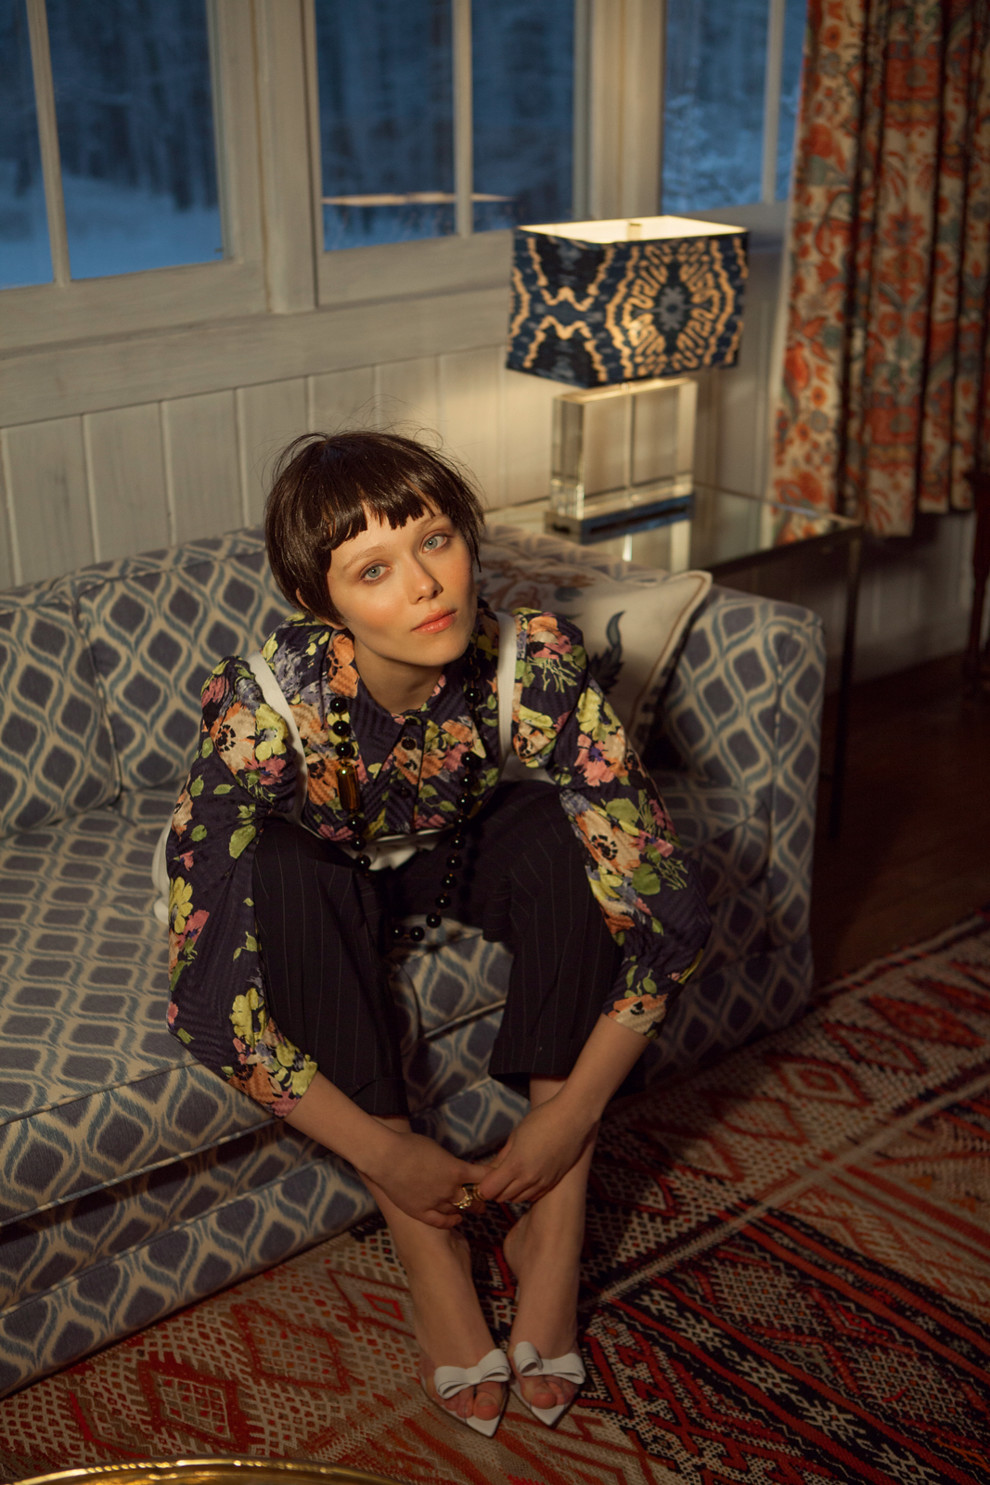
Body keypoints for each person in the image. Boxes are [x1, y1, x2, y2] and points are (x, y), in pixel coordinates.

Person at [165, 430, 710, 1437]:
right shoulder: (261, 711)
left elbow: (668, 918)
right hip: (322, 872)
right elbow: (209, 1009)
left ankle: (554, 1230)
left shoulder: (531, 662)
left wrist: (570, 1116)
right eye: (373, 570)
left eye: (435, 540)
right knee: (286, 865)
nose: (425, 585)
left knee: (568, 841)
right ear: (320, 603)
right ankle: (430, 1251)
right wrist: (389, 1153)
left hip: (450, 847)